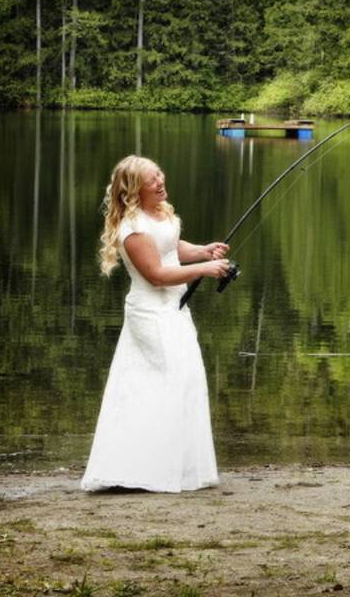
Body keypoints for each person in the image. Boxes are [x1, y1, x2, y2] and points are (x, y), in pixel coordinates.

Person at [81, 155, 230, 492]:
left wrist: (204, 252)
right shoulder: (132, 229)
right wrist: (204, 270)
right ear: (135, 189)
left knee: (185, 380)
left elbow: (171, 247)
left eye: (159, 174)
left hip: (175, 311)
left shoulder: (159, 213)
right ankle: (142, 470)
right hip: (150, 313)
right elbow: (157, 275)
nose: (160, 182)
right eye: (151, 180)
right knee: (162, 382)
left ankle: (176, 469)